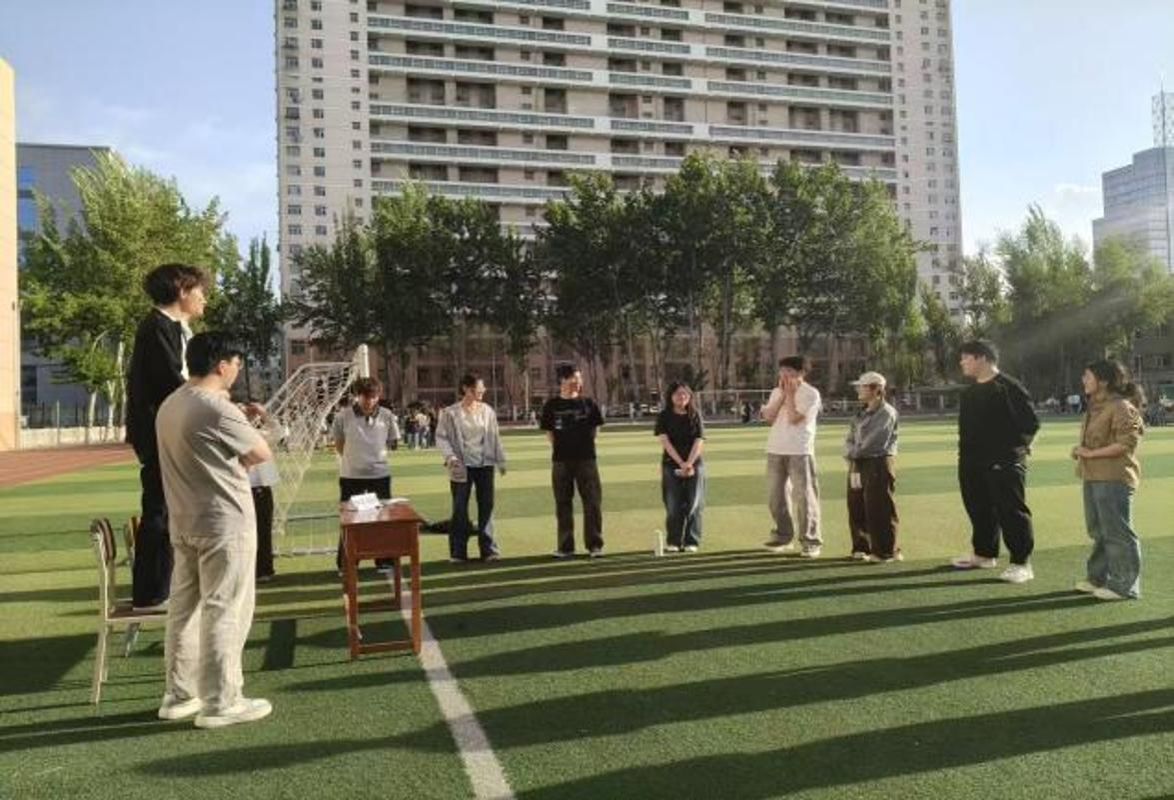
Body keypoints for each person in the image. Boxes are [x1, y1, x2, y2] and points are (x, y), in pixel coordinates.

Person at [154, 332, 273, 729]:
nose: (237, 370)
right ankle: (222, 700)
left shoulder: (170, 404)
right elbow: (260, 453)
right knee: (226, 608)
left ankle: (179, 694)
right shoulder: (217, 407)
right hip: (224, 521)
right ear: (222, 365)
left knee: (184, 611)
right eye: (236, 364)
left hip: (184, 519)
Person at [126, 263, 210, 610]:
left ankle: (168, 585)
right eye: (200, 291)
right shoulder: (157, 328)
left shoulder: (174, 328)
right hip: (160, 433)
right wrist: (213, 402)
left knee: (170, 508)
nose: (204, 299)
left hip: (170, 429)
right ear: (182, 291)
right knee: (159, 508)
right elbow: (173, 383)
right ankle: (151, 593)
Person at [951, 339, 1041, 583]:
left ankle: (1021, 562)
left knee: (1011, 511)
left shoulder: (1009, 388)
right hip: (971, 461)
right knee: (978, 507)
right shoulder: (969, 393)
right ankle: (984, 554)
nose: (962, 362)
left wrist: (1017, 450)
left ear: (981, 358)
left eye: (966, 358)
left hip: (1004, 460)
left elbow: (1030, 424)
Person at [1071, 359, 1145, 601]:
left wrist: (1090, 453)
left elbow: (1126, 444)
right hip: (1093, 476)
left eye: (1087, 376)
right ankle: (1098, 578)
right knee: (1099, 530)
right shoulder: (1096, 406)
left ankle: (1124, 586)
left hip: (1114, 477)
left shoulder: (1121, 407)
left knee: (1117, 532)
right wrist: (1082, 451)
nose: (1083, 380)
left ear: (1102, 381)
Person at [436, 373, 508, 563]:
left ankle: (489, 550)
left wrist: (501, 461)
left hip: (485, 465)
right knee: (460, 508)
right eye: (479, 388)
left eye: (483, 388)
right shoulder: (450, 413)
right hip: (461, 466)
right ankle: (458, 552)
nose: (483, 391)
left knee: (487, 506)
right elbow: (441, 437)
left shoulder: (488, 411)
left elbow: (495, 437)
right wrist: (450, 457)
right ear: (466, 389)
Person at [332, 377, 401, 572]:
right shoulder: (343, 416)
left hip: (380, 475)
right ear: (357, 396)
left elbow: (393, 442)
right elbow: (339, 444)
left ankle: (384, 560)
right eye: (365, 397)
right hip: (351, 476)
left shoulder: (387, 415)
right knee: (350, 520)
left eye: (374, 397)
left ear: (379, 396)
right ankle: (347, 563)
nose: (370, 401)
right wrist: (355, 460)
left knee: (383, 518)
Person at [540, 364, 605, 558]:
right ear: (562, 380)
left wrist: (584, 445)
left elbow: (596, 429)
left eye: (579, 378)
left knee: (592, 502)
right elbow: (549, 433)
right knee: (563, 503)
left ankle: (595, 545)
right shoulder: (551, 406)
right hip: (561, 461)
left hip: (587, 460)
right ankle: (566, 547)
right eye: (574, 378)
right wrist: (563, 447)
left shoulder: (588, 403)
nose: (578, 382)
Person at [761, 356, 823, 558]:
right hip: (775, 449)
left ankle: (811, 541)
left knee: (805, 497)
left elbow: (794, 418)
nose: (784, 375)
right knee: (776, 497)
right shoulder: (776, 391)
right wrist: (782, 395)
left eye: (789, 371)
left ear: (801, 373)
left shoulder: (810, 394)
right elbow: (769, 417)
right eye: (782, 371)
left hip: (800, 450)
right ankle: (783, 536)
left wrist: (790, 395)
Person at [843, 371, 900, 563]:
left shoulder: (886, 413)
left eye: (863, 386)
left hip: (877, 462)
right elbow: (850, 438)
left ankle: (885, 551)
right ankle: (862, 547)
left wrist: (852, 453)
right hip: (857, 462)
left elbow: (874, 442)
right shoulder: (861, 412)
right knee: (856, 505)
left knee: (879, 507)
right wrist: (850, 453)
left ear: (876, 390)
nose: (858, 390)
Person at [654, 382, 705, 553]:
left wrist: (689, 463)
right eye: (677, 394)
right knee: (673, 504)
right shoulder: (664, 416)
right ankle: (674, 541)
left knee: (694, 503)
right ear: (671, 396)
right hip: (671, 464)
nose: (681, 397)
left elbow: (699, 440)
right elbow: (665, 441)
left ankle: (692, 540)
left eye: (685, 394)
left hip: (694, 464)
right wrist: (680, 463)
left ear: (689, 396)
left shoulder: (695, 415)